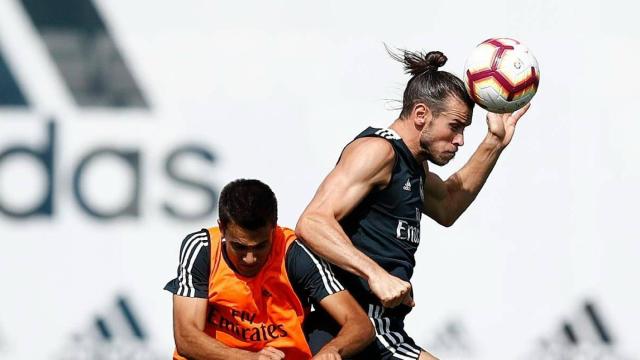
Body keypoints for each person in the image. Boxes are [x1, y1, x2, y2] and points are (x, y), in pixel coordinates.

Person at [296, 48, 531, 360]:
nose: (460, 140)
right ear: (421, 114)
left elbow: (447, 205)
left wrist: (494, 143)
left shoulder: (415, 165)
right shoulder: (378, 152)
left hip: (383, 328)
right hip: (353, 328)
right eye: (455, 126)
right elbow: (312, 221)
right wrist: (374, 273)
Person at [165, 179, 374, 360]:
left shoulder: (295, 254)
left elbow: (360, 325)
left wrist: (332, 350)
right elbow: (186, 339)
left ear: (274, 227)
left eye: (261, 246)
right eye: (239, 246)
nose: (250, 258)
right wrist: (249, 358)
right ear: (222, 229)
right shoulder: (203, 249)